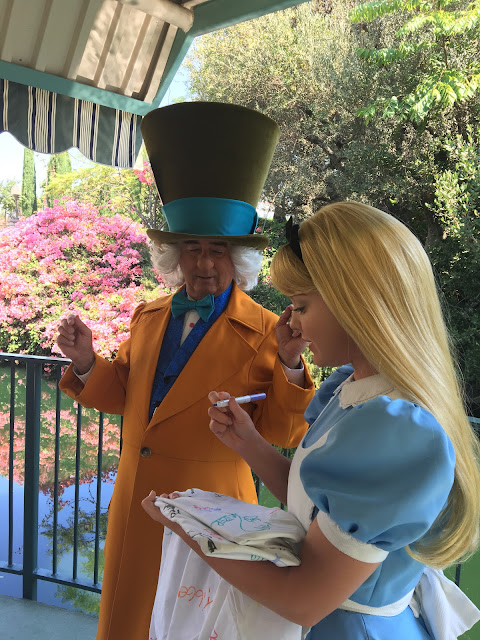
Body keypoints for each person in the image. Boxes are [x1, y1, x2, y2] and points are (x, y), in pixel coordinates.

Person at [142, 201, 480, 639]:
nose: (293, 326)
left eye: (301, 306)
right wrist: (249, 443)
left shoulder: (397, 433)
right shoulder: (349, 392)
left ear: (355, 304)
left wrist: (189, 529)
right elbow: (320, 510)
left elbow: (302, 600)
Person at [56, 102, 314, 640]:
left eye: (216, 249)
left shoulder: (273, 330)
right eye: (191, 248)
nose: (202, 262)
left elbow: (283, 434)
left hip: (211, 518)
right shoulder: (149, 316)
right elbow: (123, 392)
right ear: (173, 253)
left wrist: (290, 363)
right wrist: (85, 361)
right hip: (136, 503)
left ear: (237, 259)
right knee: (130, 621)